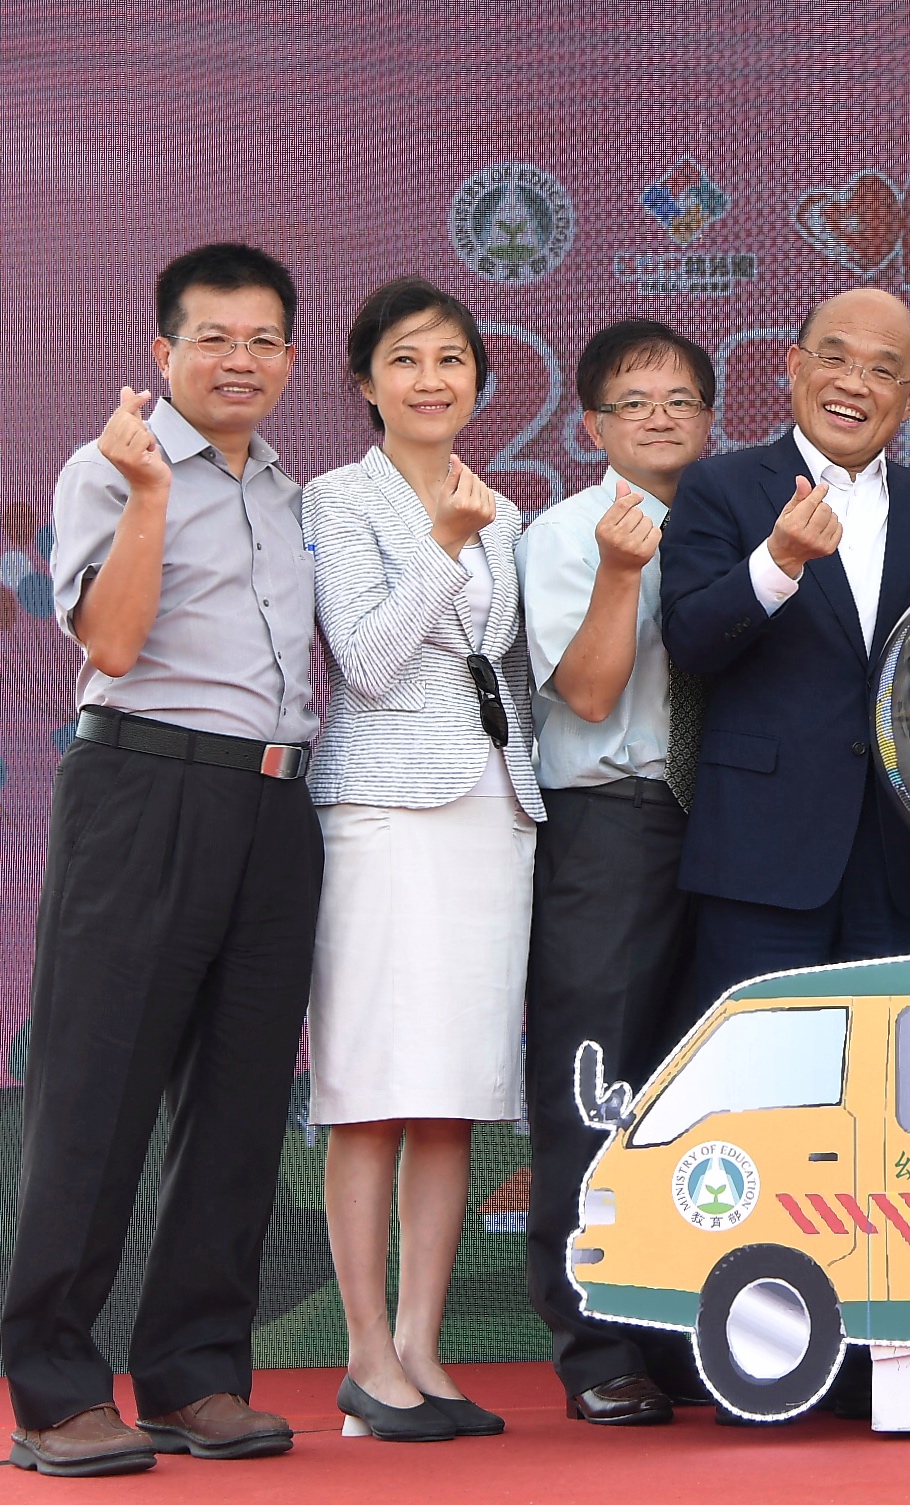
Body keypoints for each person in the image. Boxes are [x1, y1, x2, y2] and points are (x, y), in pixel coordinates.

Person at [3, 245, 317, 1477]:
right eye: (213, 338)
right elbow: (115, 643)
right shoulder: (111, 465)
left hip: (275, 807)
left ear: (290, 356)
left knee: (240, 1103)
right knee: (96, 1091)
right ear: (163, 350)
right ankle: (54, 1388)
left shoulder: (293, 493)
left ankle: (194, 1374)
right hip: (143, 785)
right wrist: (146, 495)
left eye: (263, 339)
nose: (240, 360)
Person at [658, 288, 910, 1418]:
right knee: (755, 1111)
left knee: (882, 1110)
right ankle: (744, 1351)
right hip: (763, 854)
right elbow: (691, 638)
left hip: (895, 853)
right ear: (792, 368)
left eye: (882, 368)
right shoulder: (723, 488)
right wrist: (777, 563)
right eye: (834, 358)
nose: (854, 382)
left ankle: (872, 1352)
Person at [301, 276, 545, 1443]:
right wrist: (443, 546)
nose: (431, 379)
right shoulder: (336, 498)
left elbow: (507, 667)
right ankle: (361, 1356)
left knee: (453, 1094)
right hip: (385, 811)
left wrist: (467, 532)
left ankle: (419, 1348)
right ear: (364, 380)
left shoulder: (504, 510)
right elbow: (367, 658)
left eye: (451, 358)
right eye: (405, 358)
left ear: (479, 380)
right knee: (371, 1088)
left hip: (492, 811)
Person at [516, 319, 717, 1426]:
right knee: (595, 1079)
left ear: (709, 419)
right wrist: (621, 571)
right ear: (593, 425)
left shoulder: (735, 529)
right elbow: (589, 695)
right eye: (634, 402)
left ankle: (678, 1326)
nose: (658, 418)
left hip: (719, 827)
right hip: (610, 820)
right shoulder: (564, 532)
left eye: (679, 400)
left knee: (692, 1090)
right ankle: (594, 1340)